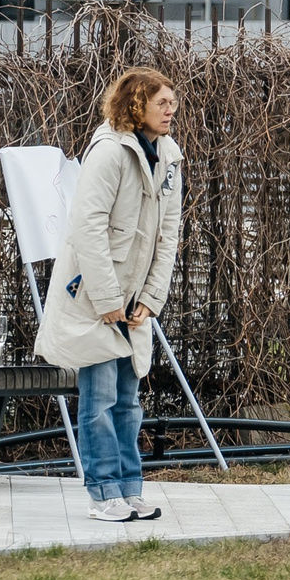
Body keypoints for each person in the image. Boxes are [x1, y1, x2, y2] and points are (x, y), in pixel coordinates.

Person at [36, 66, 183, 523]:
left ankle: (129, 489)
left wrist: (151, 299)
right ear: (137, 104)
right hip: (96, 298)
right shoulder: (108, 151)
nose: (171, 110)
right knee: (98, 399)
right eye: (162, 102)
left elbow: (168, 234)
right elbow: (88, 228)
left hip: (134, 300)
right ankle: (103, 494)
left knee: (128, 402)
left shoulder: (169, 155)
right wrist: (106, 300)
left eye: (173, 102)